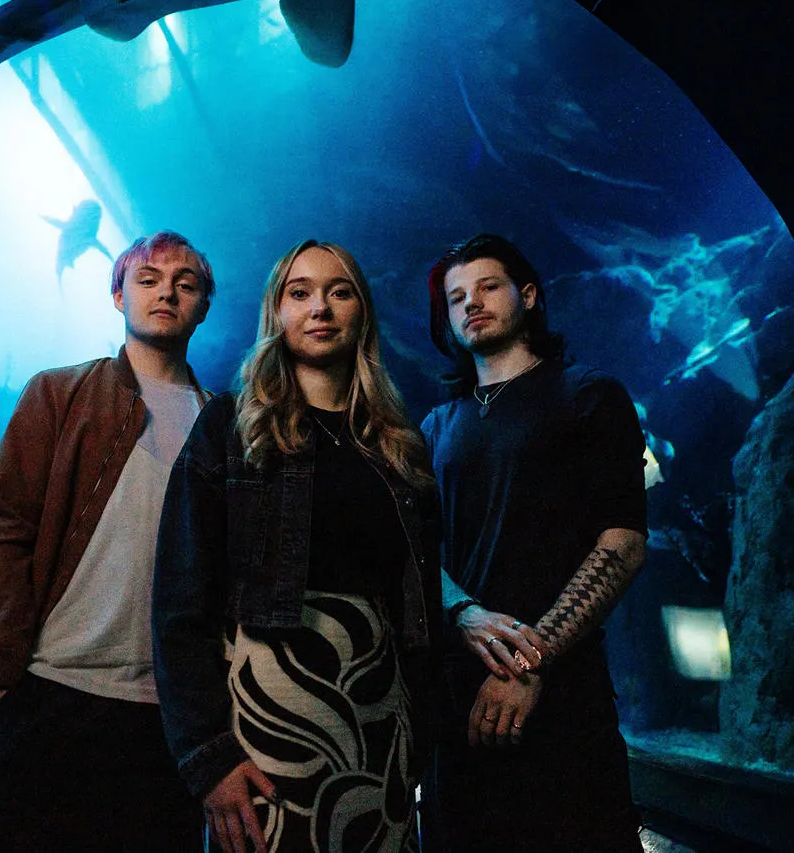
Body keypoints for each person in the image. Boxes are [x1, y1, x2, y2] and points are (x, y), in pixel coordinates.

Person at [153, 239, 443, 853]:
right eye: (300, 292)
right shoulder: (230, 427)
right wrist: (208, 756)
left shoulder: (399, 444)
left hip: (381, 710)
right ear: (275, 313)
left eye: (340, 291)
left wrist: (421, 731)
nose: (321, 307)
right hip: (268, 710)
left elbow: (420, 604)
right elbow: (179, 602)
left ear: (362, 312)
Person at [0, 230, 214, 851]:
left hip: (169, 718)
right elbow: (4, 528)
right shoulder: (58, 392)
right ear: (117, 295)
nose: (167, 292)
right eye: (148, 279)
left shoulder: (225, 425)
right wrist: (0, 681)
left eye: (186, 283)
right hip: (50, 696)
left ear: (204, 305)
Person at [420, 234, 648, 852]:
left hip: (563, 700)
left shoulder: (588, 395)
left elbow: (623, 544)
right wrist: (459, 612)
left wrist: (527, 661)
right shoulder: (435, 426)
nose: (471, 304)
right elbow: (414, 550)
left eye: (487, 287)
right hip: (455, 705)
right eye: (456, 297)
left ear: (527, 295)